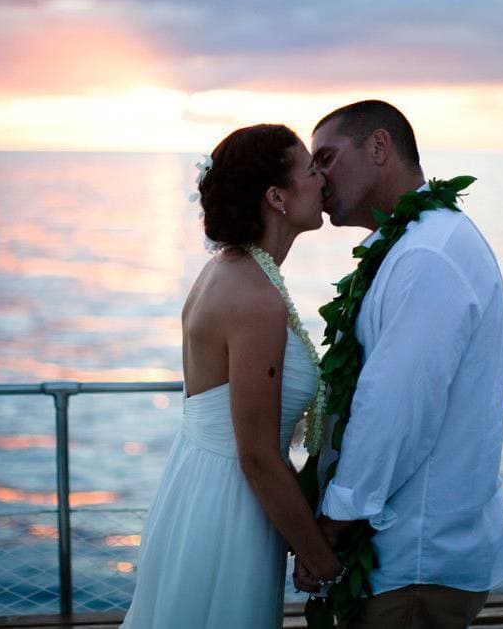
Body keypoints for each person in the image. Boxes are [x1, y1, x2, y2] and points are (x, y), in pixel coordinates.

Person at [294, 100, 503, 628]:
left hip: (412, 563)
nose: (318, 178)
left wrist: (333, 520)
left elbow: (394, 408)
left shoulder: (426, 255)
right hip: (407, 559)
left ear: (378, 146)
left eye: (325, 158)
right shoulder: (412, 244)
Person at [122, 124, 344, 628]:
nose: (323, 180)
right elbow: (259, 456)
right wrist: (324, 563)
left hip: (200, 487)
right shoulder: (253, 295)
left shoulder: (232, 270)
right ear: (276, 197)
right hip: (227, 511)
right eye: (312, 170)